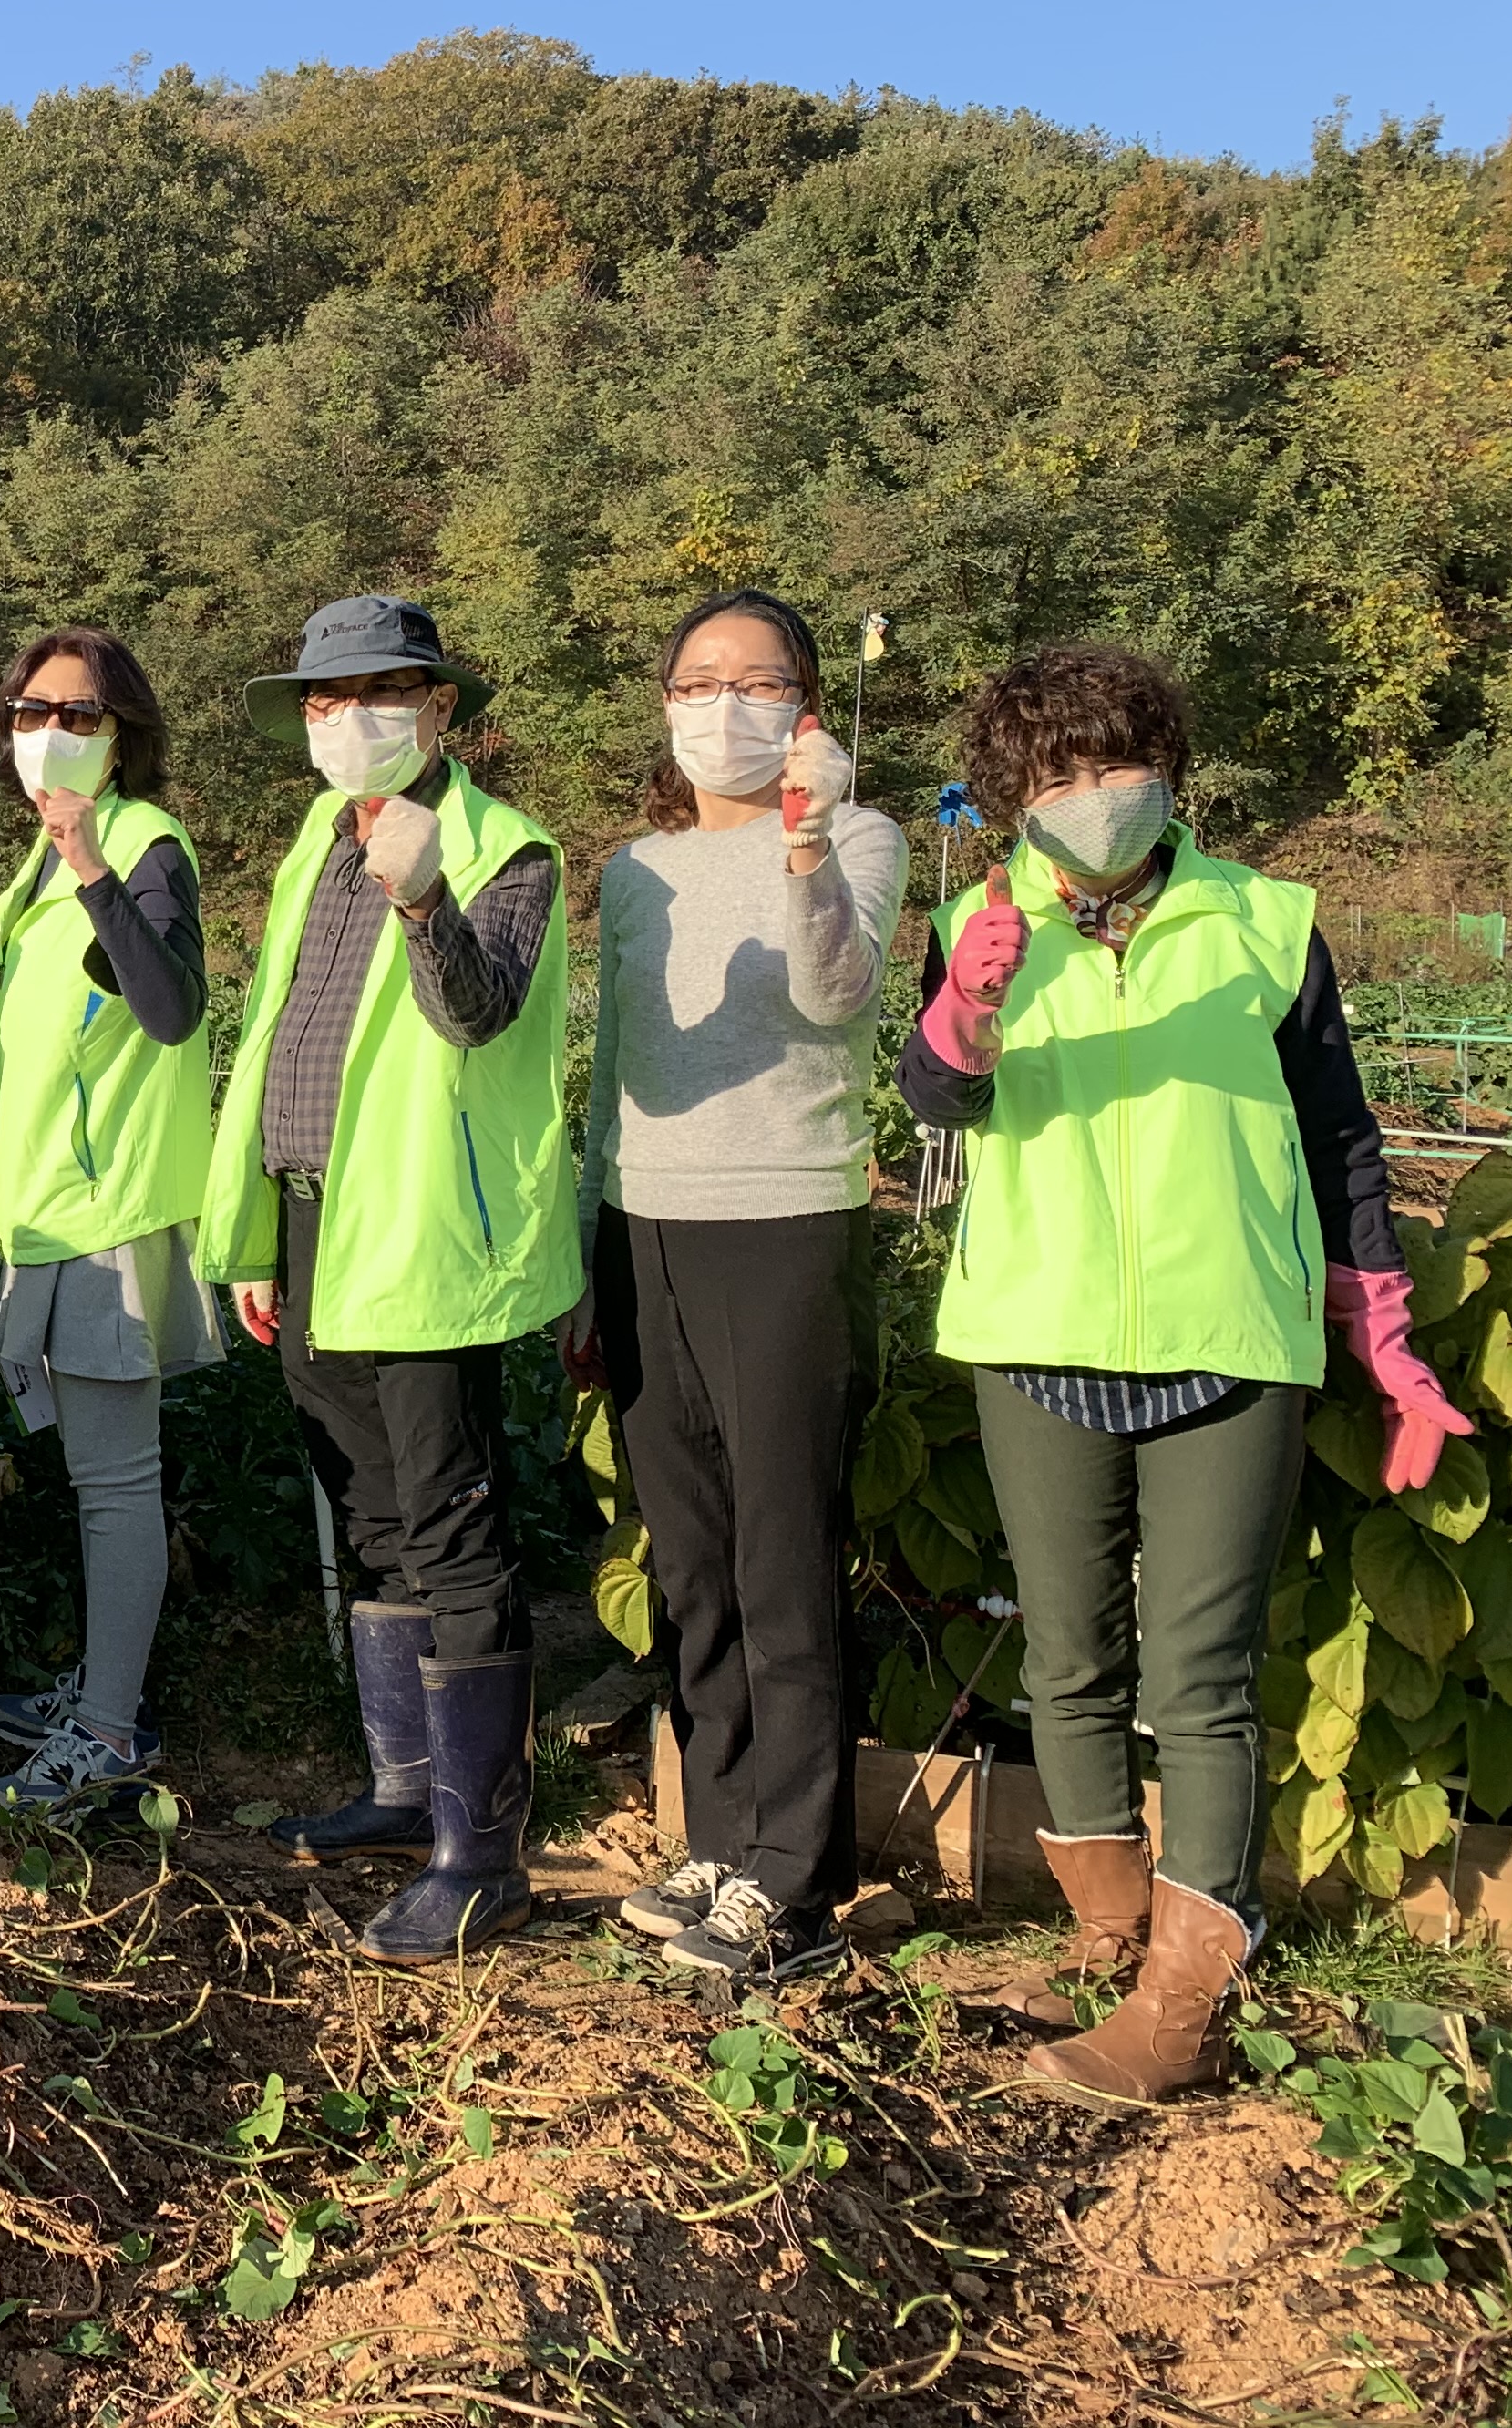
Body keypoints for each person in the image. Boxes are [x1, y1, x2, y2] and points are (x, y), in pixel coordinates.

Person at [900, 644, 1459, 2102]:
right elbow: (939, 1099)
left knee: (1202, 1677)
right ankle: (1110, 1939)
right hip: (1035, 1324)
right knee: (1068, 1655)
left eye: (1118, 763)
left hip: (1231, 1328)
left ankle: (1189, 1995)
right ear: (1016, 794)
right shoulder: (976, 920)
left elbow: (1339, 1135)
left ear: (1169, 771)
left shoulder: (1267, 924)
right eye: (1059, 773)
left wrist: (1381, 1329)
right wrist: (965, 1014)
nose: (1095, 794)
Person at [202, 594, 580, 1965]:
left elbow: (477, 1013)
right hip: (315, 1223)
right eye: (322, 698)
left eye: (375, 693)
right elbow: (284, 1036)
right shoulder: (317, 838)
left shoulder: (505, 850)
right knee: (368, 1510)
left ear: (438, 706)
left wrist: (424, 898)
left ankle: (483, 1856)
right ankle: (405, 1790)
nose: (344, 719)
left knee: (450, 1518)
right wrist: (260, 1236)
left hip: (423, 1231)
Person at [571, 592, 907, 1982]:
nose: (726, 705)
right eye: (700, 681)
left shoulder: (860, 839)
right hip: (645, 1225)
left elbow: (836, 995)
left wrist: (807, 845)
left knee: (783, 1557)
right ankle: (717, 1837)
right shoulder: (636, 871)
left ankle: (799, 1879)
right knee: (693, 1557)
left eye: (759, 682)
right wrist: (587, 1249)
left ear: (804, 708)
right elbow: (616, 1062)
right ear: (665, 707)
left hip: (784, 1225)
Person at [0, 629, 218, 1813]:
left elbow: (169, 1007)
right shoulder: (36, 869)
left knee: (117, 1483)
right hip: (50, 1220)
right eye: (32, 712)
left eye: (81, 714)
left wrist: (93, 873)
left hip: (110, 1217)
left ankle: (110, 1732)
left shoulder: (137, 844)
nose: (52, 733)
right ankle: (102, 1687)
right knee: (95, 1476)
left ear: (125, 737)